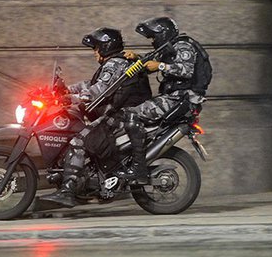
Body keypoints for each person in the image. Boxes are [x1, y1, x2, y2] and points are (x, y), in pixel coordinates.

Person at [37, 28, 151, 207]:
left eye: (96, 48)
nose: (95, 52)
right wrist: (66, 90)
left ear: (106, 47)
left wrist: (68, 99)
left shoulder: (115, 64)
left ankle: (68, 191)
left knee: (79, 141)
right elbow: (92, 84)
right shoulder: (113, 64)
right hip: (118, 112)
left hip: (122, 115)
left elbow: (98, 92)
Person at [121, 16, 210, 183]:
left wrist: (160, 66)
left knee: (131, 115)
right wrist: (136, 58)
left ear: (163, 33)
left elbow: (186, 70)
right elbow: (150, 63)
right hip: (174, 98)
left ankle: (138, 167)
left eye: (154, 37)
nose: (153, 41)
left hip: (180, 99)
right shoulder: (169, 47)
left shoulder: (183, 45)